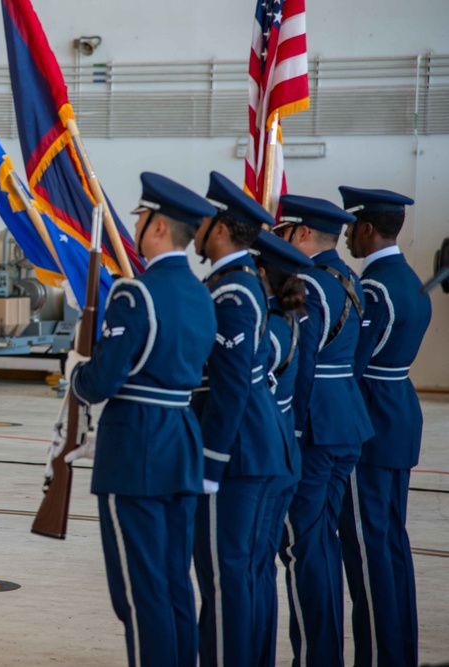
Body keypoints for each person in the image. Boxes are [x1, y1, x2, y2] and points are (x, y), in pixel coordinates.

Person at [67, 172, 217, 667]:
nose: (135, 226)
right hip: (181, 443)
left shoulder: (136, 294)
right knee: (175, 582)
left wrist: (77, 375)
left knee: (139, 592)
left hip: (135, 449)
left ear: (157, 228)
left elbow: (104, 379)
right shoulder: (202, 294)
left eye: (140, 218)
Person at [190, 172, 291, 666]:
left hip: (236, 454)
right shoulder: (237, 284)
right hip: (252, 446)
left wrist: (209, 467)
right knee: (241, 574)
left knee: (225, 576)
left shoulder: (231, 293)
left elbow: (228, 389)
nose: (198, 228)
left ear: (223, 229)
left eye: (206, 221)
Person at [273, 194, 373, 665]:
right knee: (322, 543)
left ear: (304, 235)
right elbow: (355, 357)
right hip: (347, 422)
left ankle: (316, 657)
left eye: (289, 230)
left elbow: (304, 364)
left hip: (314, 429)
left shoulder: (310, 285)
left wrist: (289, 432)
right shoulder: (348, 278)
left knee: (301, 548)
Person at [338, 186, 432, 667]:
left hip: (369, 422)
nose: (347, 237)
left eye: (351, 228)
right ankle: (400, 654)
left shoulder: (374, 288)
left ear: (367, 229)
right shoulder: (411, 281)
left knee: (368, 546)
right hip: (398, 413)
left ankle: (377, 657)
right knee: (392, 542)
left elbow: (351, 363)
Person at [250, 230, 312, 667]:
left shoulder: (268, 330)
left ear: (260, 276)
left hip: (261, 457)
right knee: (261, 570)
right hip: (284, 451)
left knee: (249, 570)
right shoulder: (290, 321)